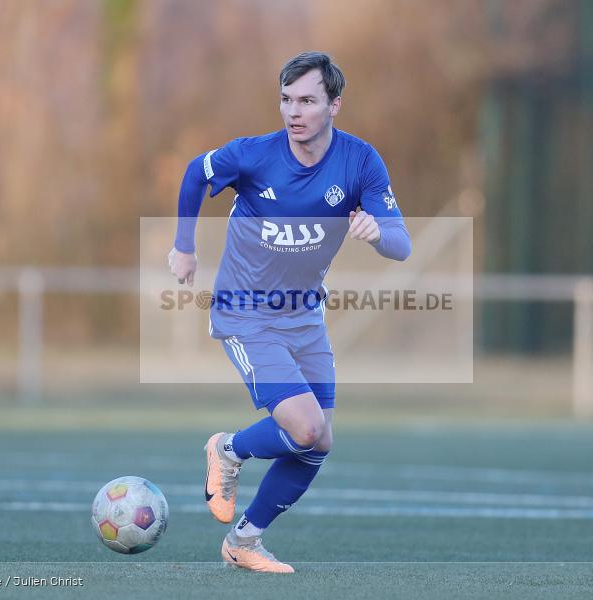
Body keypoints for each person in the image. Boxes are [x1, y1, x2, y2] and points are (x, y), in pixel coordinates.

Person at [167, 51, 411, 573]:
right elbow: (195, 173)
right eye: (286, 99)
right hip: (245, 313)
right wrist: (184, 246)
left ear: (334, 104)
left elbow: (402, 245)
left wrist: (379, 234)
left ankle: (245, 541)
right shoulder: (255, 155)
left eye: (307, 100)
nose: (293, 111)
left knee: (319, 442)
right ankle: (228, 450)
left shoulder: (360, 161)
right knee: (303, 429)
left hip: (304, 318)